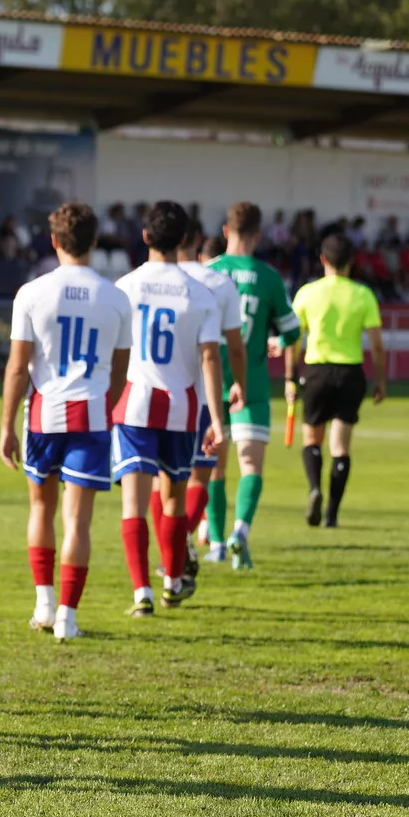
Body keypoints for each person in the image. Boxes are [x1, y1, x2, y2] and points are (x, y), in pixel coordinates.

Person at [1, 202, 132, 642]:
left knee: (42, 508)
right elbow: (119, 372)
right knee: (79, 522)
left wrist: (3, 426)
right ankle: (67, 618)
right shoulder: (116, 298)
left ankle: (42, 601)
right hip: (91, 414)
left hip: (43, 414)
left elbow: (18, 368)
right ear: (95, 242)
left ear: (54, 241)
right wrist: (104, 406)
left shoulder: (32, 293)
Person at [112, 202, 229, 617]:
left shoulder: (124, 287)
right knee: (173, 500)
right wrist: (217, 421)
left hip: (135, 405)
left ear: (145, 237)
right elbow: (211, 358)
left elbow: (113, 353)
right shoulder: (202, 294)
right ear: (184, 240)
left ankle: (141, 590)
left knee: (134, 503)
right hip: (182, 406)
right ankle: (173, 581)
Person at [203, 201, 301, 570]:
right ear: (258, 235)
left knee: (215, 466)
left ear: (226, 231)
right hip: (253, 382)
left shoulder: (207, 273)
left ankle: (214, 542)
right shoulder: (269, 277)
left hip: (213, 380)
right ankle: (240, 532)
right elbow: (291, 331)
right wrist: (275, 342)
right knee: (251, 465)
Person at [292, 234, 386, 528]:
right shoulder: (363, 295)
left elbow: (294, 339)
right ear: (352, 262)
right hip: (350, 373)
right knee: (341, 447)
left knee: (312, 439)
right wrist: (380, 380)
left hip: (317, 370)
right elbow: (377, 344)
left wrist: (289, 376)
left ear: (323, 260)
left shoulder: (308, 293)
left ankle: (314, 487)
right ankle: (332, 513)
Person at [174, 223, 247, 599]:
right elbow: (232, 346)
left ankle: (169, 560)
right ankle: (182, 540)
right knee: (203, 476)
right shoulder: (217, 285)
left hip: (162, 394)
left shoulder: (150, 279)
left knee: (164, 482)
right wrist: (241, 383)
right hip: (206, 392)